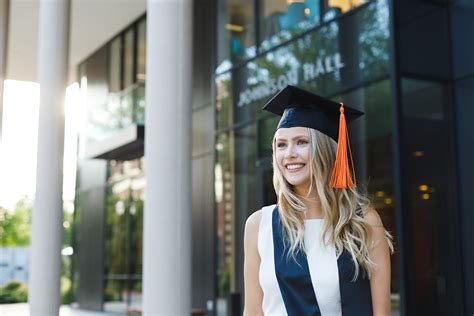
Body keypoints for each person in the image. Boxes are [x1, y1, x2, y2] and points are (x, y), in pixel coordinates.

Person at [243, 85, 394, 315]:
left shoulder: (362, 221)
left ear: (325, 149)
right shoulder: (259, 225)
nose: (289, 153)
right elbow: (253, 311)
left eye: (301, 142)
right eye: (281, 144)